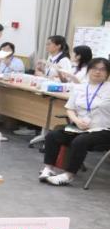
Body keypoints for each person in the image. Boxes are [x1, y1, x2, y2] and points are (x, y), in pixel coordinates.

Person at [40, 58, 110, 186]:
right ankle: (48, 168)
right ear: (88, 70)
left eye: (102, 69)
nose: (98, 72)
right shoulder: (79, 88)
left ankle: (69, 175)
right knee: (53, 135)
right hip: (80, 127)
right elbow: (70, 108)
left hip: (103, 130)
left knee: (80, 141)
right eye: (94, 68)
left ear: (107, 73)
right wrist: (77, 121)